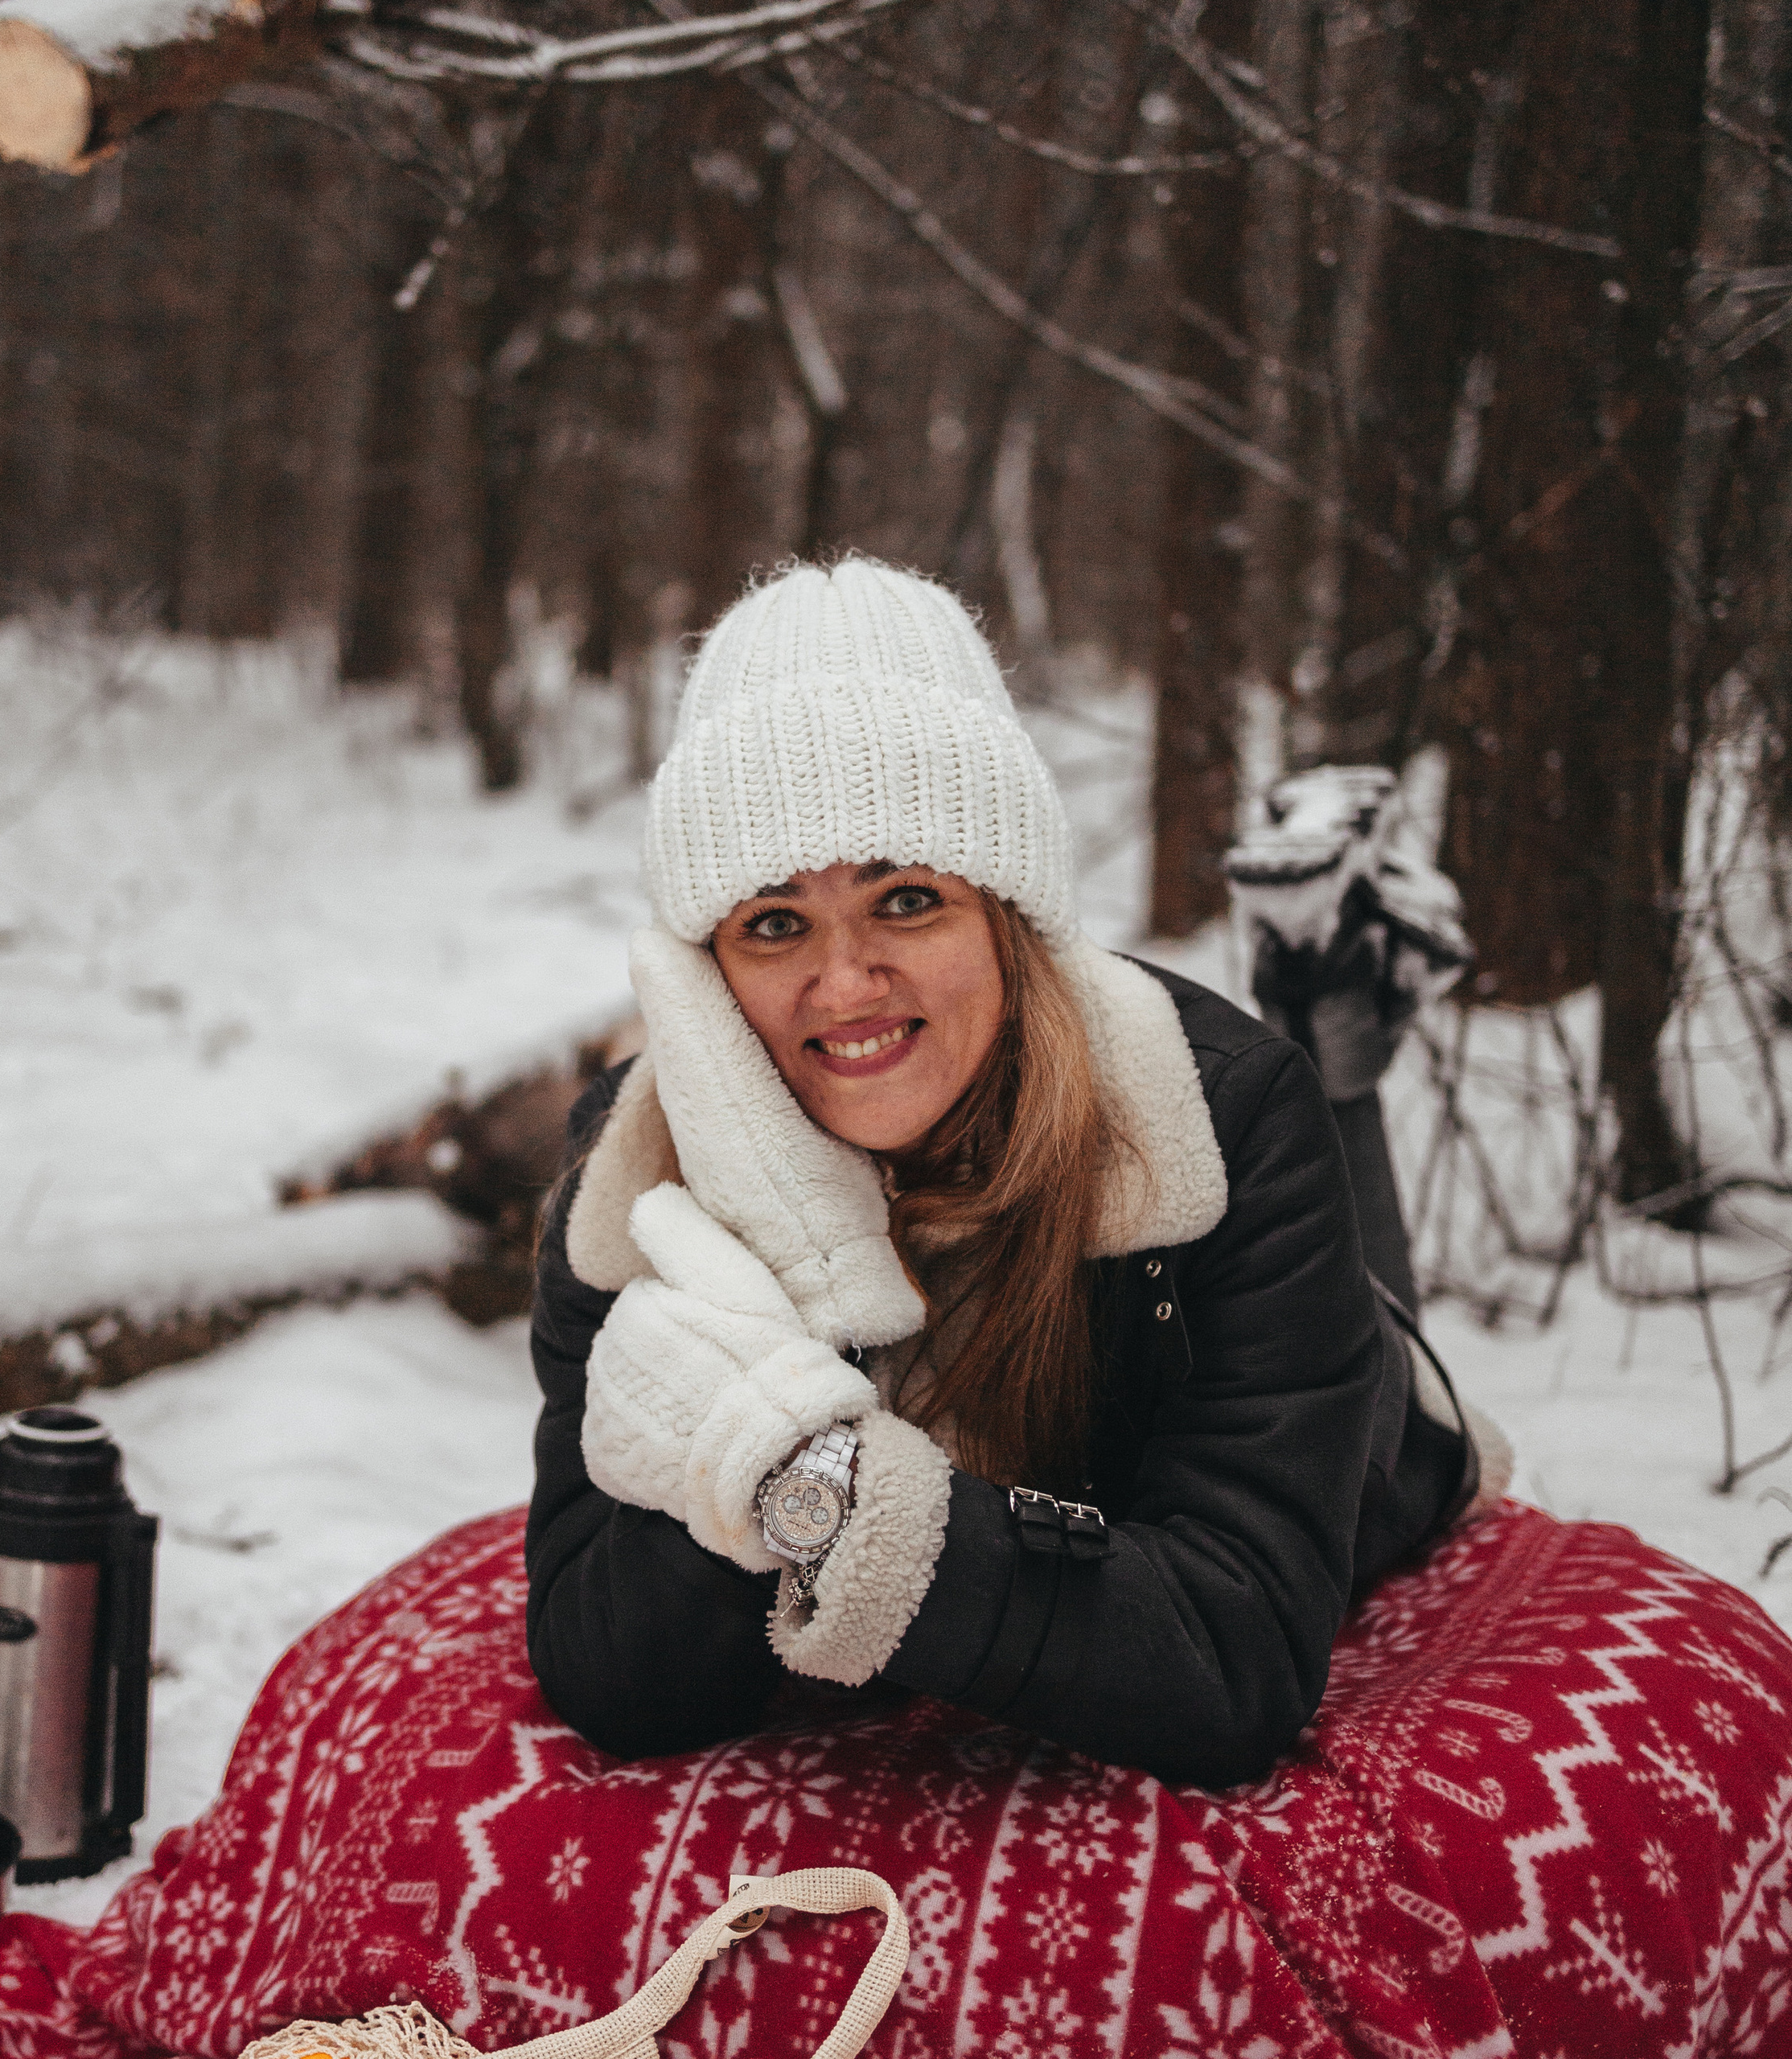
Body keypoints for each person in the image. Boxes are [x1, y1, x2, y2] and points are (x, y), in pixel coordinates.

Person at [524, 558, 1506, 1789]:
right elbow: (606, 1675)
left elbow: (1233, 1658)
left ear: (1008, 915)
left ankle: (1330, 1005)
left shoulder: (1222, 1117)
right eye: (773, 923)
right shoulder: (636, 1183)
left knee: (1377, 1342)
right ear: (701, 967)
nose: (843, 985)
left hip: (1374, 1432)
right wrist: (796, 1254)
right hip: (1041, 1532)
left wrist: (798, 1468)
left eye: (907, 899)